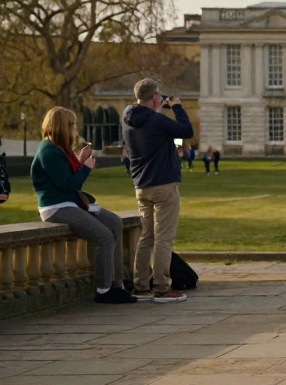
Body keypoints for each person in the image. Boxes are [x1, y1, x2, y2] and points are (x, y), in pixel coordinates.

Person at [29, 108, 133, 303]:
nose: (76, 128)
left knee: (114, 222)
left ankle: (118, 281)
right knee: (104, 236)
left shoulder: (59, 149)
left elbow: (65, 178)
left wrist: (80, 160)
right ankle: (104, 290)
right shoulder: (48, 151)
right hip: (56, 207)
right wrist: (86, 168)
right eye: (73, 125)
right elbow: (68, 184)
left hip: (71, 203)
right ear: (62, 127)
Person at [122, 79, 193, 303]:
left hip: (141, 185)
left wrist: (158, 109)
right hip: (163, 184)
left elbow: (159, 134)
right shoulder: (157, 119)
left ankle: (141, 286)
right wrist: (177, 106)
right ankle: (162, 287)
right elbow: (186, 130)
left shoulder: (128, 118)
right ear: (154, 97)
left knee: (147, 237)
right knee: (164, 238)